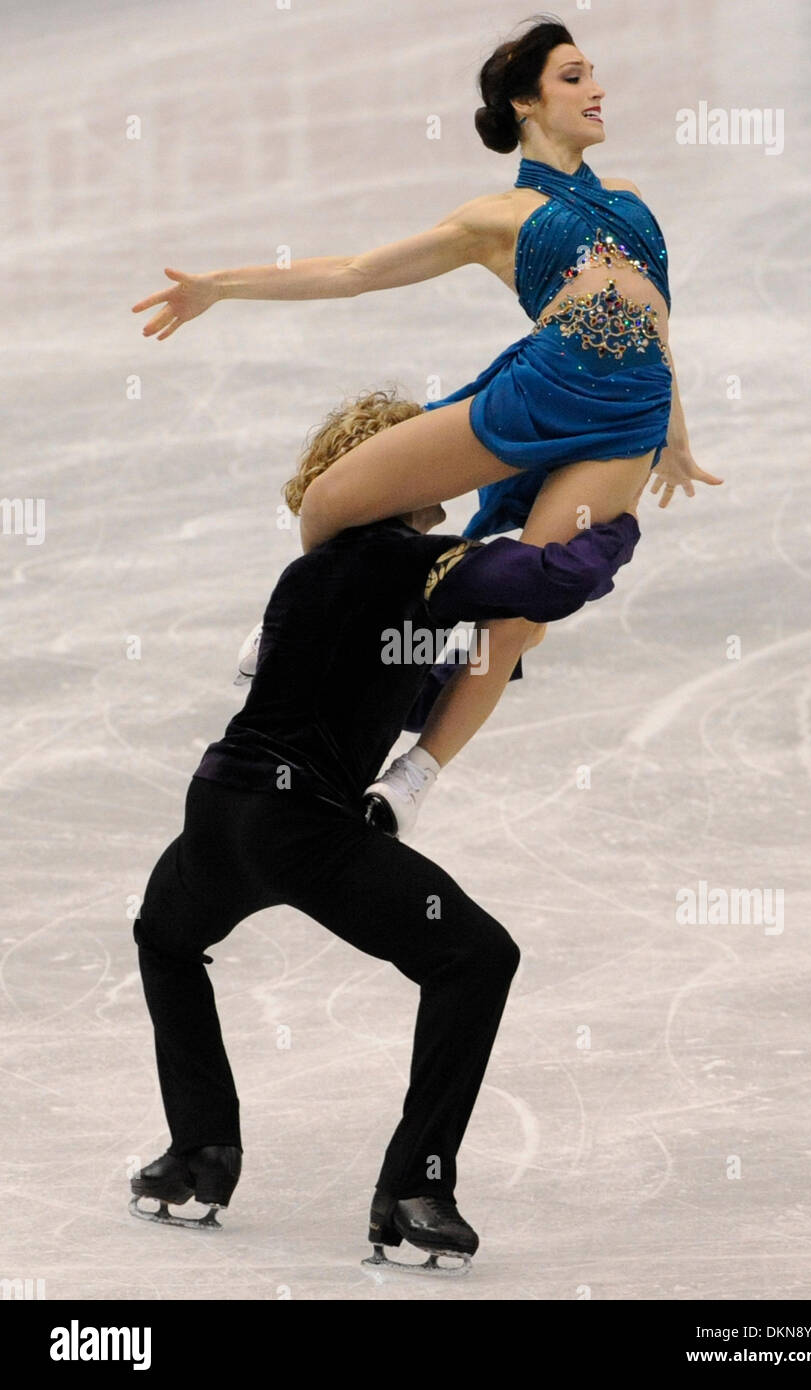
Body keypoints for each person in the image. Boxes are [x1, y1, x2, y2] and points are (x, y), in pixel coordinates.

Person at [131, 16, 722, 837]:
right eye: (572, 76)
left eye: (592, 74)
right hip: (536, 392)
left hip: (627, 421)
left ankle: (413, 776)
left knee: (517, 618)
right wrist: (220, 287)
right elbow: (354, 273)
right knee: (333, 501)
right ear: (524, 101)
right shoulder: (497, 217)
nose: (596, 89)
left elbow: (658, 320)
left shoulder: (632, 208)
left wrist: (677, 434)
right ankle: (296, 628)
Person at [129, 387, 642, 1273]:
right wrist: (618, 515)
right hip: (303, 831)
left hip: (216, 816)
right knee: (475, 957)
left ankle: (201, 1153)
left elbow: (384, 680)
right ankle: (416, 1188)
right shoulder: (415, 565)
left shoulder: (310, 574)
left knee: (165, 938)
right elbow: (558, 579)